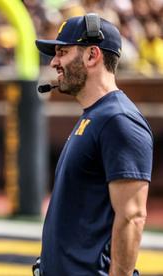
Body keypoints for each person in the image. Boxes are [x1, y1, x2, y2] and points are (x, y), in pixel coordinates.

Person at [34, 13, 153, 275]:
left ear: (92, 55)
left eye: (62, 52)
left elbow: (132, 216)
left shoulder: (118, 119)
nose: (54, 62)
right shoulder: (96, 116)